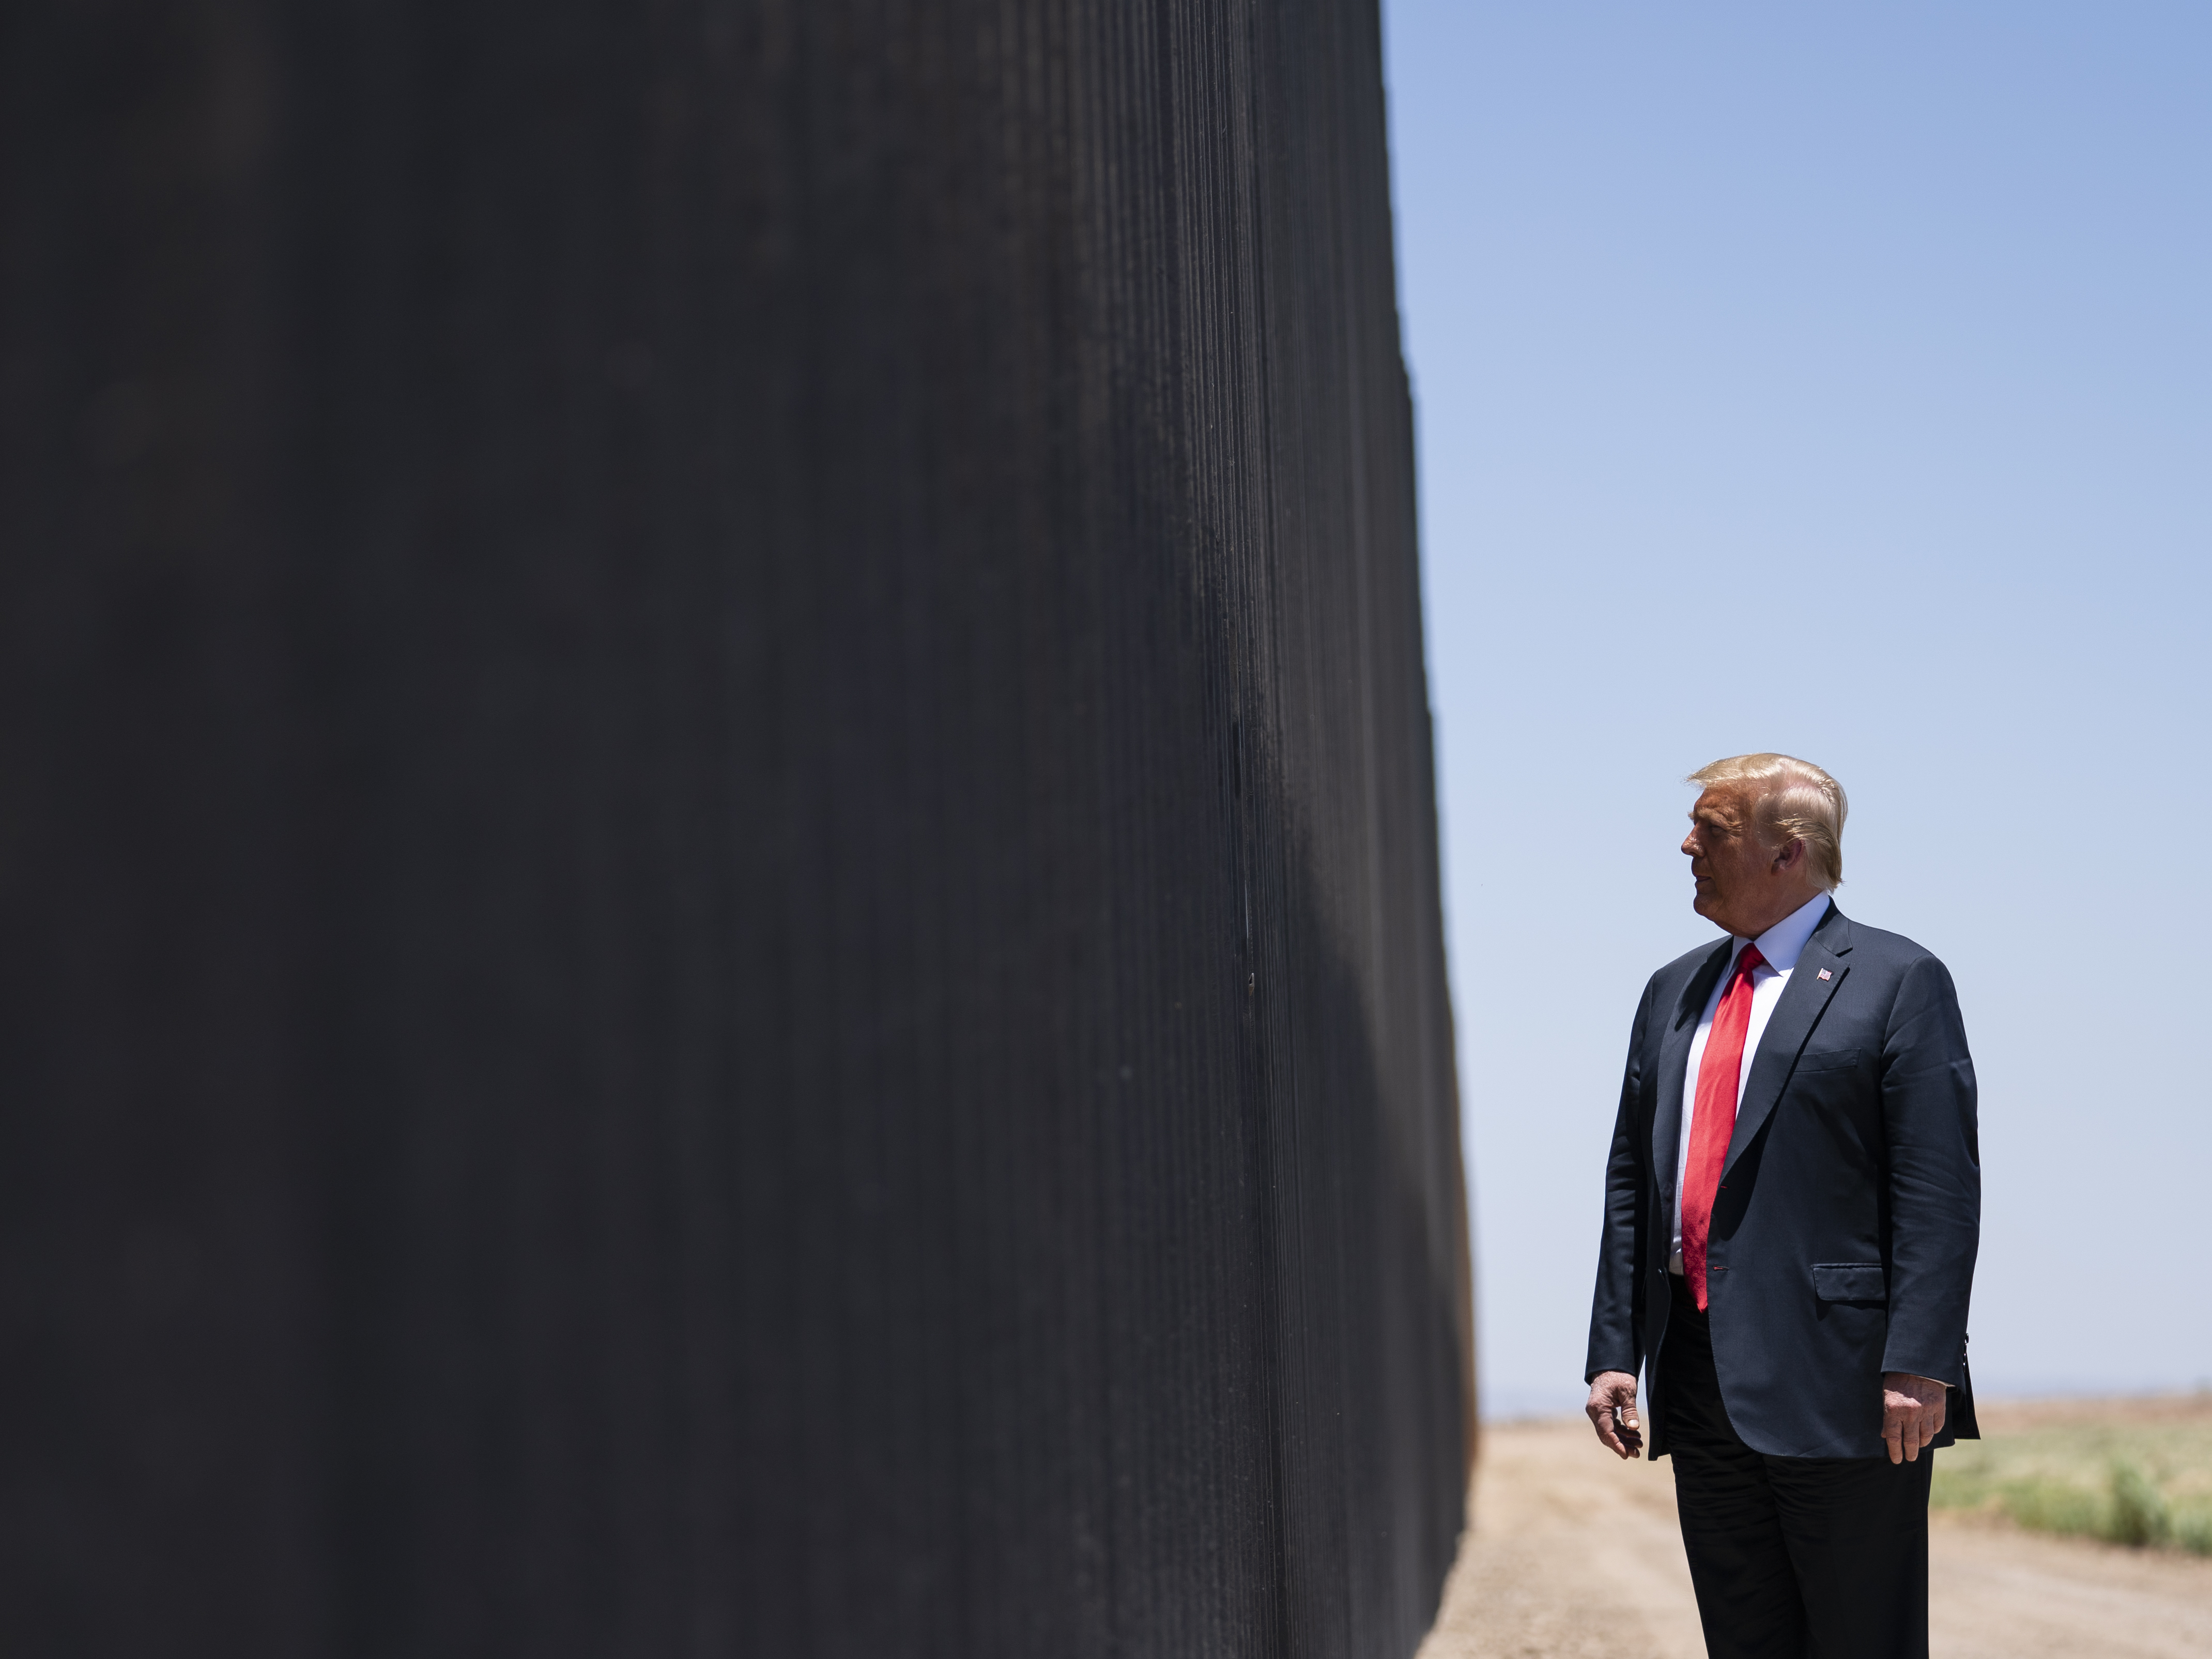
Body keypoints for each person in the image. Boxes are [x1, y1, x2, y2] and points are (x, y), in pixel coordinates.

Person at [1584, 754, 1979, 1659]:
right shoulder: (1671, 990)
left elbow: (1939, 1188)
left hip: (1847, 1385)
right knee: (1744, 1637)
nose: (1687, 844)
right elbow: (1631, 1179)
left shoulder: (1899, 978)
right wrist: (1615, 1348)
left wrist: (1919, 1359)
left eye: (1712, 829)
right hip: (1697, 1370)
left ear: (1787, 853)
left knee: (1858, 1637)